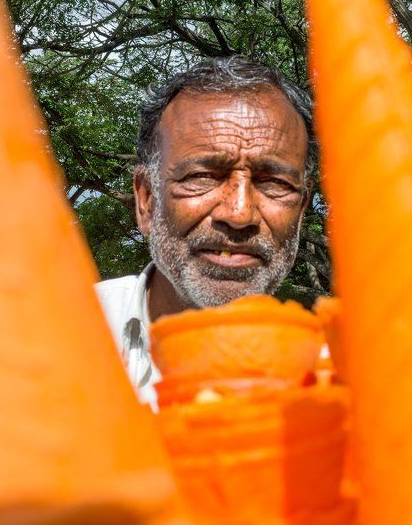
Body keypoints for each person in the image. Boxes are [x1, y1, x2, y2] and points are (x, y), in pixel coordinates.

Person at [95, 56, 317, 405]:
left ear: (302, 209)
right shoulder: (51, 338)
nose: (240, 213)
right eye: (203, 178)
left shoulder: (336, 379)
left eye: (274, 183)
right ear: (147, 200)